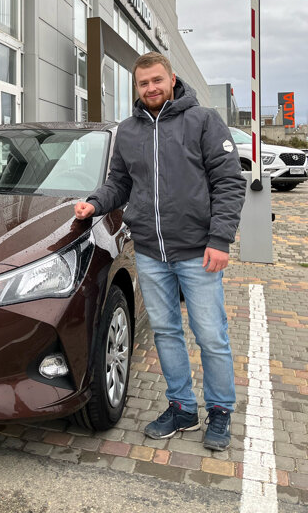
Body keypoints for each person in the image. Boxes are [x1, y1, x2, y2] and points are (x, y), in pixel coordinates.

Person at [75, 52, 245, 451]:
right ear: (136, 87)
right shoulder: (128, 131)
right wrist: (94, 204)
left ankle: (220, 410)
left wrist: (220, 240)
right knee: (167, 332)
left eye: (156, 80)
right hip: (151, 253)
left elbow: (229, 182)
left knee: (211, 335)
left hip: (198, 252)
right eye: (143, 83)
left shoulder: (203, 121)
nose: (150, 88)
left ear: (171, 79)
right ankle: (182, 407)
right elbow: (119, 183)